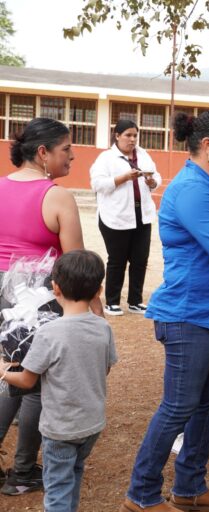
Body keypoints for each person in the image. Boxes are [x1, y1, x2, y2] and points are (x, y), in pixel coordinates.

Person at [121, 110, 209, 512]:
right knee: (178, 406)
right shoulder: (192, 188)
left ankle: (190, 488)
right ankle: (141, 494)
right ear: (208, 146)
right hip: (188, 314)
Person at [0, 117, 103, 496]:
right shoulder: (56, 196)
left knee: (13, 374)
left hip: (4, 295)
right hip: (40, 298)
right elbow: (75, 262)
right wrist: (96, 310)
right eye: (66, 149)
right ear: (43, 152)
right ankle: (24, 470)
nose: (72, 156)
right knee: (38, 384)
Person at [1, 250, 117, 512]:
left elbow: (27, 381)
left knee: (56, 490)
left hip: (60, 428)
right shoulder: (103, 327)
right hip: (92, 423)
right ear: (98, 290)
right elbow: (105, 368)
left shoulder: (48, 333)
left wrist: (3, 371)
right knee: (73, 474)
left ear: (55, 288)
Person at [90, 119, 161, 316]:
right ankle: (112, 302)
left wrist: (152, 182)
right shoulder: (106, 158)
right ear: (117, 136)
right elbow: (97, 184)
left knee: (140, 260)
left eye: (135, 135)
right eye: (128, 135)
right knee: (117, 260)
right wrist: (123, 178)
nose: (132, 139)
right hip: (115, 217)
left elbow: (156, 176)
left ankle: (135, 301)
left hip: (142, 216)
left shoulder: (143, 155)